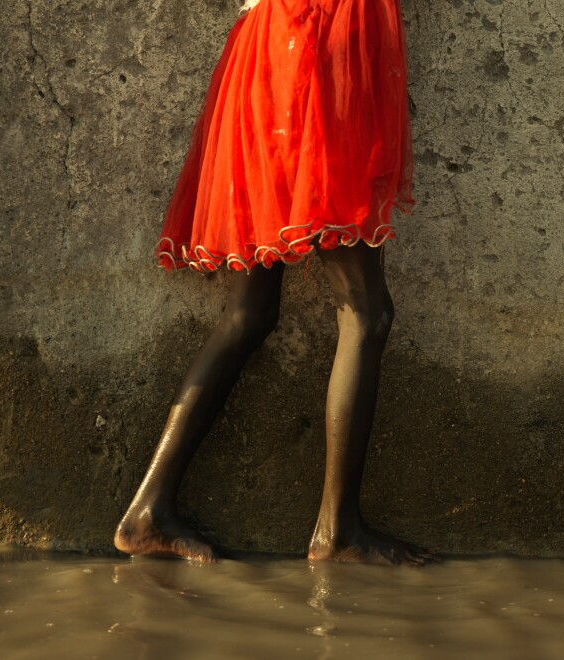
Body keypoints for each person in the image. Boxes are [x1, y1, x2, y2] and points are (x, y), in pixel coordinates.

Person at [114, 0, 436, 565]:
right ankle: (337, 532)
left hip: (275, 46)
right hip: (321, 46)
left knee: (252, 312)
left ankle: (147, 510)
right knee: (366, 313)